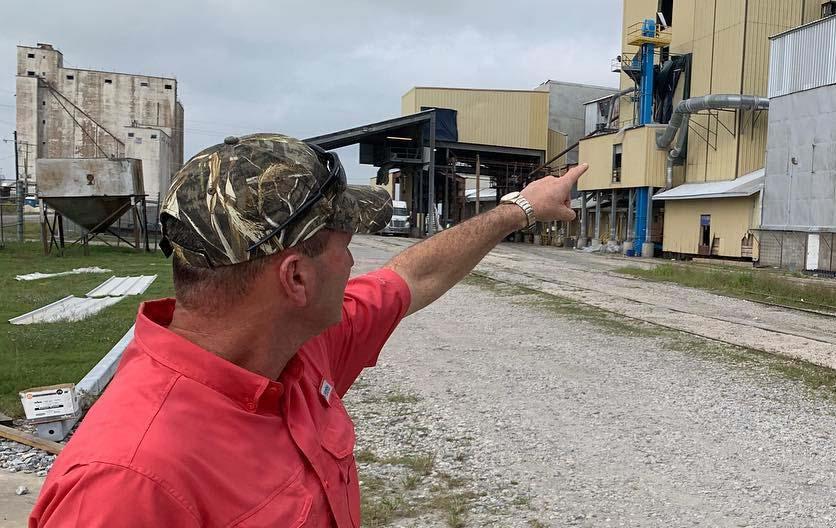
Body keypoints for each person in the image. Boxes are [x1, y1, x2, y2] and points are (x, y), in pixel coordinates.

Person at [29, 133, 585, 527]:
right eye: (346, 247)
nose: (352, 266)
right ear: (295, 277)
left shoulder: (296, 350)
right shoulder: (130, 482)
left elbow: (413, 274)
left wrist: (520, 209)